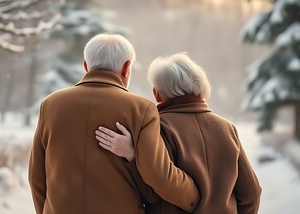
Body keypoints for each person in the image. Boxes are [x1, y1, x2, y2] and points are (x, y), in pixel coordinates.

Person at [28, 34, 200, 214]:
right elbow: (158, 176)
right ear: (126, 68)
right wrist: (194, 198)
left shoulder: (51, 104)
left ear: (86, 66)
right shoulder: (142, 109)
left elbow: (36, 177)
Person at [96, 53, 262, 214]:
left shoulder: (157, 127)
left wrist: (132, 156)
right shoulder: (227, 128)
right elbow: (252, 193)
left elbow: (152, 192)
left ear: (157, 94)